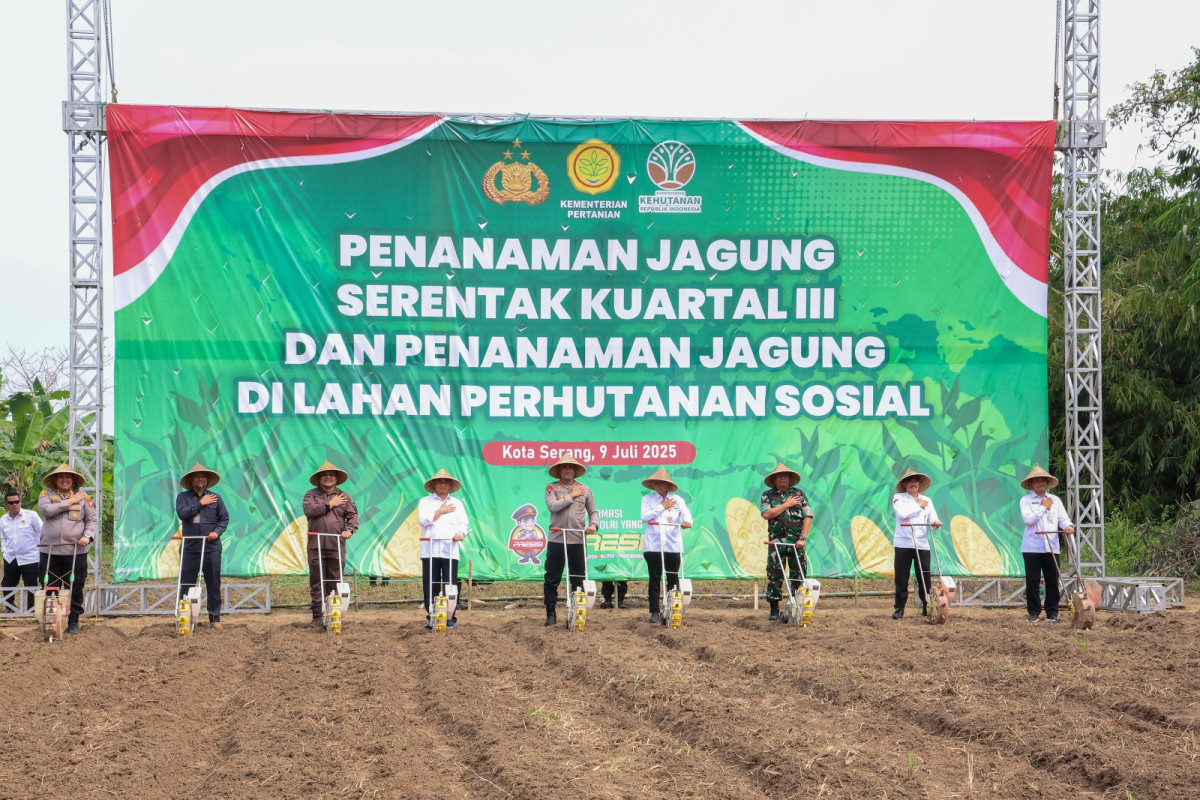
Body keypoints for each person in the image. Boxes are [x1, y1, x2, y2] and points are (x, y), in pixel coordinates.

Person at [37, 463, 97, 634]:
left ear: (73, 480)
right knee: (50, 586)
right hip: (50, 551)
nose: (65, 480)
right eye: (61, 477)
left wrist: (87, 536)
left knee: (76, 586)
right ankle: (51, 621)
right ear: (55, 480)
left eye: (68, 477)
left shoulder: (83, 498)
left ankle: (73, 621)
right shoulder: (46, 495)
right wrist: (69, 502)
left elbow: (92, 520)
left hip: (75, 551)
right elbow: (47, 511)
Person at [301, 460, 359, 629]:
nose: (328, 477)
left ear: (336, 478)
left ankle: (334, 614)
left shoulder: (345, 496)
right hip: (315, 545)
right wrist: (330, 504)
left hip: (336, 545)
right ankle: (317, 617)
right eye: (324, 475)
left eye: (331, 475)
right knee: (317, 581)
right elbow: (309, 510)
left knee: (335, 581)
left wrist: (349, 530)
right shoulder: (311, 495)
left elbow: (353, 516)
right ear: (319, 479)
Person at [543, 455, 597, 627]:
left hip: (577, 539)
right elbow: (552, 506)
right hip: (557, 539)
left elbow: (593, 512)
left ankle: (577, 611)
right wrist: (571, 496)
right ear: (559, 470)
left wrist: (594, 525)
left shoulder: (585, 489)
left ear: (575, 470)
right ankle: (551, 614)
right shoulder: (552, 488)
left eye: (570, 467)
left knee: (578, 578)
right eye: (564, 467)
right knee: (552, 578)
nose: (567, 470)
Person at [175, 463, 229, 629]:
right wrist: (201, 503)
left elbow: (224, 519)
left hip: (211, 548)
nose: (200, 479)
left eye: (203, 476)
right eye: (197, 476)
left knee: (213, 583)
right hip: (190, 548)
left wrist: (217, 532)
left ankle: (215, 618)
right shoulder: (182, 497)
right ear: (191, 480)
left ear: (207, 480)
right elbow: (182, 513)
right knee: (186, 584)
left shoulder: (216, 498)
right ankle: (184, 618)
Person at [1019, 465, 1076, 622]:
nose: (1040, 483)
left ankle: (1052, 613)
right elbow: (1029, 520)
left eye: (1043, 480)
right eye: (1036, 481)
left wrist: (1068, 526)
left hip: (1051, 546)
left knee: (1052, 580)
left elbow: (1063, 519)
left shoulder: (1055, 500)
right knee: (1033, 581)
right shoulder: (1026, 501)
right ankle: (1033, 613)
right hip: (1032, 547)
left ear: (1047, 483)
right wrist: (1043, 508)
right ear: (1031, 484)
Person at [759, 462, 812, 621]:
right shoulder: (767, 495)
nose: (783, 478)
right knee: (775, 575)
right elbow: (766, 514)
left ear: (790, 478)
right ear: (774, 479)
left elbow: (808, 516)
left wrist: (802, 538)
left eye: (785, 476)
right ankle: (774, 610)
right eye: (779, 476)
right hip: (776, 543)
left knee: (798, 575)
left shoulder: (799, 494)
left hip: (796, 543)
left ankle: (796, 606)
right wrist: (786, 504)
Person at [417, 468, 469, 630]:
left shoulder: (457, 503)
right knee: (430, 584)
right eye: (439, 482)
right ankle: (432, 616)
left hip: (450, 549)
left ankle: (449, 617)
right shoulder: (425, 502)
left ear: (450, 485)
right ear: (433, 485)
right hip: (430, 550)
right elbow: (423, 520)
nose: (443, 485)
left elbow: (463, 524)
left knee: (450, 584)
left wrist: (461, 533)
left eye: (446, 482)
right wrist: (440, 511)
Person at [640, 467, 693, 624]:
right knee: (655, 579)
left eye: (661, 483)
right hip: (653, 546)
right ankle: (654, 612)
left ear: (667, 485)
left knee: (673, 578)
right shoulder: (647, 499)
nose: (658, 485)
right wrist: (662, 506)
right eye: (655, 483)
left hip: (672, 545)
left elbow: (686, 514)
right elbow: (644, 517)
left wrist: (687, 521)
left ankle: (672, 609)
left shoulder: (678, 500)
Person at [890, 469, 942, 619]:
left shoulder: (927, 500)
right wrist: (918, 505)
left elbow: (933, 518)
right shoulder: (898, 498)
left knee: (924, 576)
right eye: (910, 481)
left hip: (922, 543)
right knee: (901, 578)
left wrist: (936, 523)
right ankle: (899, 608)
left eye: (916, 480)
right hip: (903, 543)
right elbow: (903, 514)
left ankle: (927, 606)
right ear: (904, 484)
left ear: (919, 483)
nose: (913, 483)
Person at [2, 490, 42, 611]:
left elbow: (42, 532)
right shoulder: (3, 520)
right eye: (11, 502)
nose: (14, 504)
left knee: (30, 584)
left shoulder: (31, 515)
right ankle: (9, 607)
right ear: (6, 505)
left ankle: (31, 609)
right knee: (7, 583)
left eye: (17, 501)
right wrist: (4, 550)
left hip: (30, 557)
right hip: (10, 557)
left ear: (20, 502)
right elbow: (3, 538)